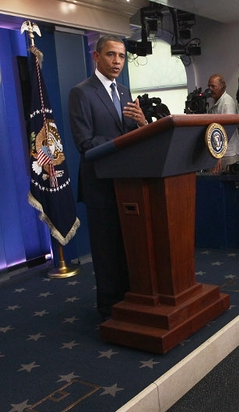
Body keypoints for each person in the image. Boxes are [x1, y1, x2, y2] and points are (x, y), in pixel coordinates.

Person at [68, 35, 148, 321]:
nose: (117, 61)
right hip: (100, 184)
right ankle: (109, 309)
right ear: (96, 57)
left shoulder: (125, 92)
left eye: (122, 56)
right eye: (111, 55)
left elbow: (132, 135)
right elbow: (84, 142)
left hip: (127, 184)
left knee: (127, 247)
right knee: (106, 250)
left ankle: (129, 298)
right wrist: (120, 142)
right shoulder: (82, 92)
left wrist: (143, 124)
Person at [208, 74, 239, 173]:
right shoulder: (213, 102)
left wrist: (218, 155)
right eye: (209, 86)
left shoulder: (227, 103)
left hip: (228, 154)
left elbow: (227, 130)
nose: (210, 89)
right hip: (218, 152)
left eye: (213, 86)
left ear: (222, 86)